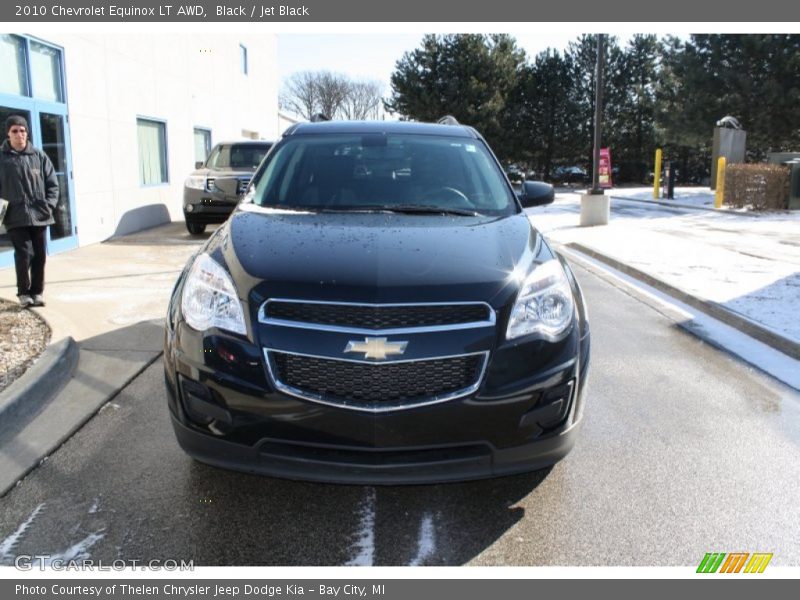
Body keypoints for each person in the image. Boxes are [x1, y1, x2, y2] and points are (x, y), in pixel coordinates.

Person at [0, 115, 59, 308]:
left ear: (27, 132)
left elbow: (53, 184)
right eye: (14, 131)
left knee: (40, 255)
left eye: (22, 130)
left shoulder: (38, 156)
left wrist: (48, 206)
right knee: (24, 254)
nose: (19, 134)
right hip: (15, 216)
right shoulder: (2, 158)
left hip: (39, 215)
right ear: (8, 134)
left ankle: (37, 292)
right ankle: (24, 293)